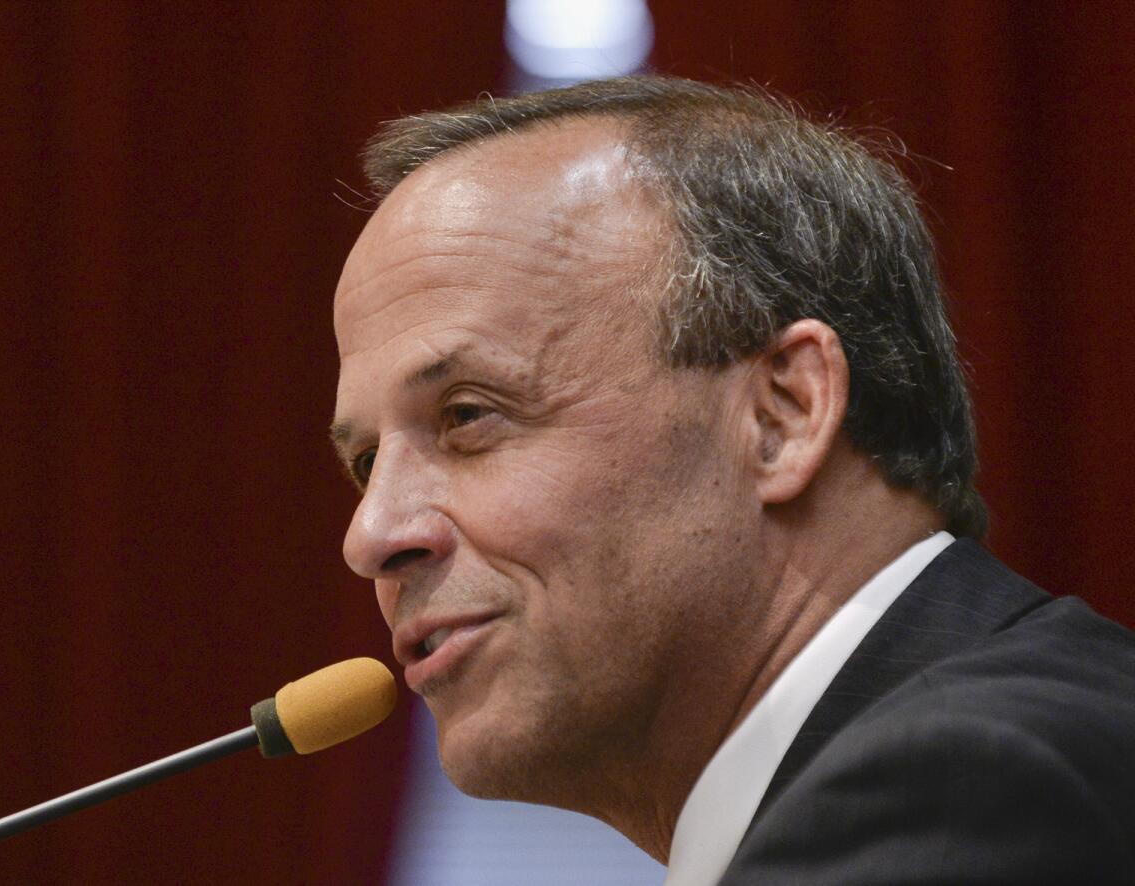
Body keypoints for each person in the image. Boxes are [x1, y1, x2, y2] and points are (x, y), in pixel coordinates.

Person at [330, 76, 1135, 884]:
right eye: (364, 464)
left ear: (783, 413)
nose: (371, 536)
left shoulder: (967, 790)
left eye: (467, 415)